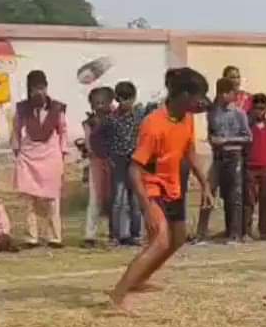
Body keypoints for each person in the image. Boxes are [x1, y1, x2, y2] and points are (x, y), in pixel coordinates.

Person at [109, 68, 213, 313]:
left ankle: (140, 279)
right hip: (151, 186)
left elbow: (188, 151)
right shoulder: (153, 123)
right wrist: (146, 207)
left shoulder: (186, 119)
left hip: (172, 186)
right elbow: (135, 169)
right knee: (160, 240)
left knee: (177, 239)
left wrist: (205, 183)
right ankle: (117, 295)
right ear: (185, 94)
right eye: (200, 95)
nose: (201, 101)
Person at [12, 70, 67, 248]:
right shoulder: (22, 108)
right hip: (28, 155)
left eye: (42, 88)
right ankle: (31, 237)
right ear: (29, 90)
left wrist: (63, 152)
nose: (39, 92)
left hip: (51, 155)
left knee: (52, 198)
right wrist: (17, 150)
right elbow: (16, 130)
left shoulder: (57, 108)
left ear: (46, 87)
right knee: (29, 199)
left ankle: (55, 237)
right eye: (35, 88)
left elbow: (63, 131)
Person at [195, 76, 252, 243]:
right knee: (208, 190)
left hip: (234, 156)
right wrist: (213, 140)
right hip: (218, 156)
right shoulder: (213, 112)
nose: (233, 96)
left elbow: (248, 138)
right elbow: (210, 133)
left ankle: (235, 233)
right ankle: (201, 232)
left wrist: (227, 140)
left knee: (235, 195)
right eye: (230, 93)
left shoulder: (239, 114)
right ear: (222, 93)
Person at [102, 81, 146, 246]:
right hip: (118, 161)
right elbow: (102, 138)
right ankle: (115, 235)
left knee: (135, 199)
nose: (125, 103)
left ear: (134, 98)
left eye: (128, 99)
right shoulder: (111, 119)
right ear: (117, 99)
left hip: (136, 162)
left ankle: (135, 235)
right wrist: (108, 157)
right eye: (121, 99)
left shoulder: (139, 115)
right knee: (118, 199)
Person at [82, 85, 116, 247]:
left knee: (113, 198)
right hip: (96, 162)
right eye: (96, 103)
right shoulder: (89, 123)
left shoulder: (116, 119)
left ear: (111, 102)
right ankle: (90, 234)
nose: (100, 106)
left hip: (114, 163)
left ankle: (114, 231)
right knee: (95, 198)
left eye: (103, 102)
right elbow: (89, 144)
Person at [244, 93, 266, 240]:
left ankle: (263, 230)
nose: (259, 111)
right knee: (249, 200)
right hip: (250, 167)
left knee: (265, 200)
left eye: (262, 108)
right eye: (257, 108)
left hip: (265, 167)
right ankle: (246, 230)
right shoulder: (247, 125)